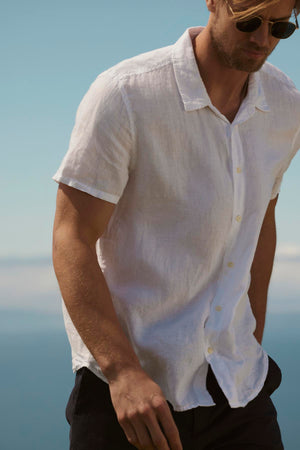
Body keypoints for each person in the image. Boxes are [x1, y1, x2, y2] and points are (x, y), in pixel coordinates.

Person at [52, 0, 300, 448]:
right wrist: (123, 371)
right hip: (128, 396)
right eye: (248, 21)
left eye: (281, 28)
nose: (263, 39)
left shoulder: (286, 108)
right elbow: (72, 236)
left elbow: (261, 224)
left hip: (239, 386)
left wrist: (252, 339)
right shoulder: (126, 93)